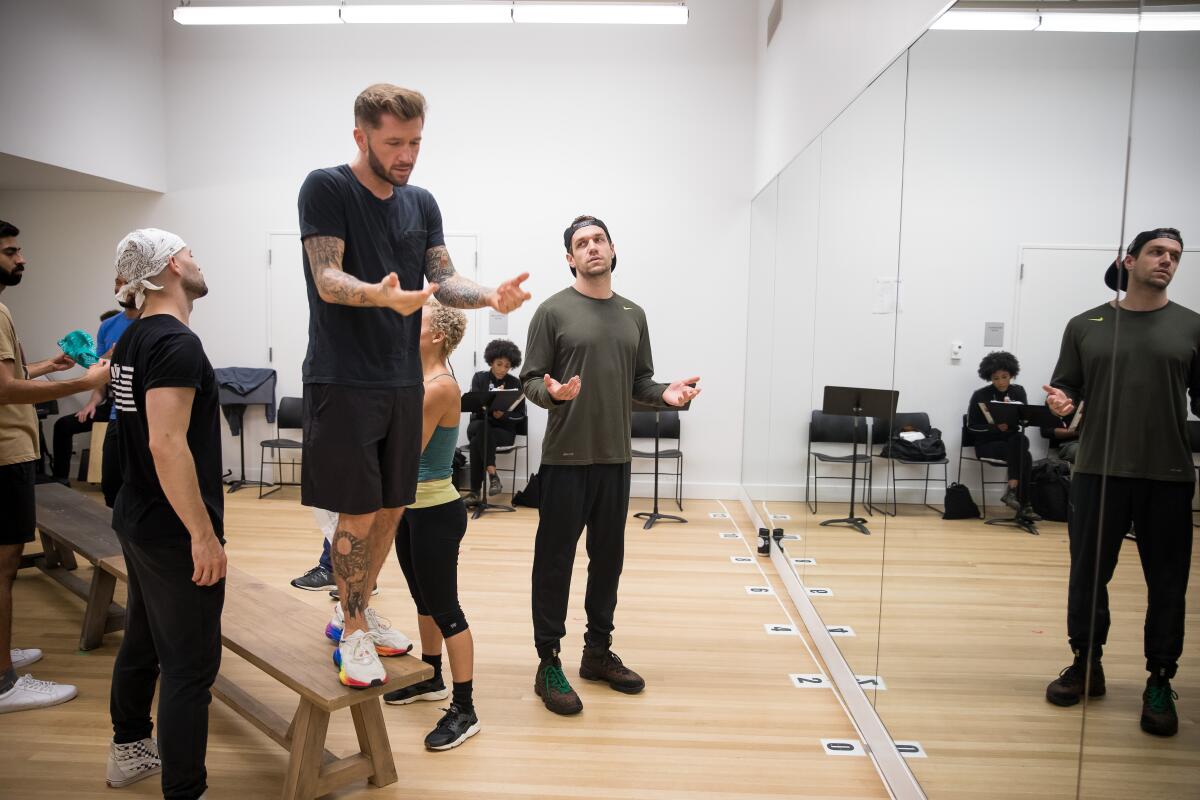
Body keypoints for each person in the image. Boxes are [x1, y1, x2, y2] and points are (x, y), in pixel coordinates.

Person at [298, 83, 530, 688]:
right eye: (394, 142)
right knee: (355, 510)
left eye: (416, 142)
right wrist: (371, 293)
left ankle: (359, 605)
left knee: (393, 505)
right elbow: (325, 274)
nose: (407, 154)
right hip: (343, 377)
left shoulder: (420, 201)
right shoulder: (326, 187)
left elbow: (443, 277)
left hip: (401, 379)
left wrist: (488, 297)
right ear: (361, 136)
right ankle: (350, 632)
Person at [521, 214, 701, 715]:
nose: (592, 248)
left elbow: (638, 383)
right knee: (554, 563)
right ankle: (548, 661)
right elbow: (530, 380)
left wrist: (665, 394)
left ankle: (596, 653)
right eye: (581, 243)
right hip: (565, 459)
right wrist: (551, 393)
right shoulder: (552, 312)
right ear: (570, 258)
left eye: (598, 239)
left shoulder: (633, 314)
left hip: (615, 459)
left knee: (609, 561)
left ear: (612, 247)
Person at [1043, 228, 1195, 738]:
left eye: (1175, 256)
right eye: (1157, 252)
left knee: (1168, 584)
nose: (1167, 261)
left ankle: (1159, 680)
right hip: (1097, 471)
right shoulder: (1085, 324)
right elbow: (1066, 385)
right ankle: (1086, 663)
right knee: (1088, 575)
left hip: (1168, 474)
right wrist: (1061, 401)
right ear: (1128, 261)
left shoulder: (1191, 327)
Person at [105, 228, 227, 797]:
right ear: (174, 265)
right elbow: (166, 444)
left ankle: (129, 749)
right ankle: (185, 789)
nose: (200, 263)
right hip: (172, 529)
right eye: (193, 254)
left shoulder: (132, 338)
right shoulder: (177, 344)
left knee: (145, 638)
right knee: (189, 668)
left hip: (138, 516)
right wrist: (202, 535)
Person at [0, 219, 110, 715]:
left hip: (10, 451)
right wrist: (83, 382)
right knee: (3, 568)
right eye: (9, 251)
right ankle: (5, 681)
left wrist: (47, 368)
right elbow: (4, 389)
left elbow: (12, 375)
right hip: (5, 455)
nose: (21, 259)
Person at [382, 300, 479, 750]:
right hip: (412, 511)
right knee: (423, 600)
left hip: (436, 511)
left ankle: (465, 708)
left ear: (437, 335)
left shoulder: (439, 386)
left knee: (445, 608)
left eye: (415, 322)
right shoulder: (420, 379)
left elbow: (404, 453)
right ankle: (432, 677)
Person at [52, 292, 137, 486]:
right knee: (64, 425)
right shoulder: (106, 333)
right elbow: (100, 381)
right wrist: (90, 404)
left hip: (132, 409)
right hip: (110, 406)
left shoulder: (142, 330)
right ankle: (60, 479)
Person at [966, 351, 1034, 517]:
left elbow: (1025, 420)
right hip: (987, 444)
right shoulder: (980, 395)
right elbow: (971, 427)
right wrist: (996, 428)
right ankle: (1023, 504)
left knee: (1021, 439)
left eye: (1004, 377)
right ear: (989, 378)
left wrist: (1017, 418)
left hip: (1012, 440)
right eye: (996, 378)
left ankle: (1013, 493)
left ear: (1011, 374)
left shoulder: (1018, 392)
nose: (1001, 382)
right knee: (1025, 456)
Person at [465, 338, 525, 504]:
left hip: (503, 432)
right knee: (482, 427)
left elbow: (520, 415)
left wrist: (503, 416)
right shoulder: (479, 378)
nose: (503, 369)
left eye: (507, 366)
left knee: (479, 440)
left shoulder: (515, 383)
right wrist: (490, 402)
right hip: (478, 424)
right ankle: (493, 475)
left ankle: (475, 493)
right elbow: (473, 405)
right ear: (491, 361)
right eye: (499, 364)